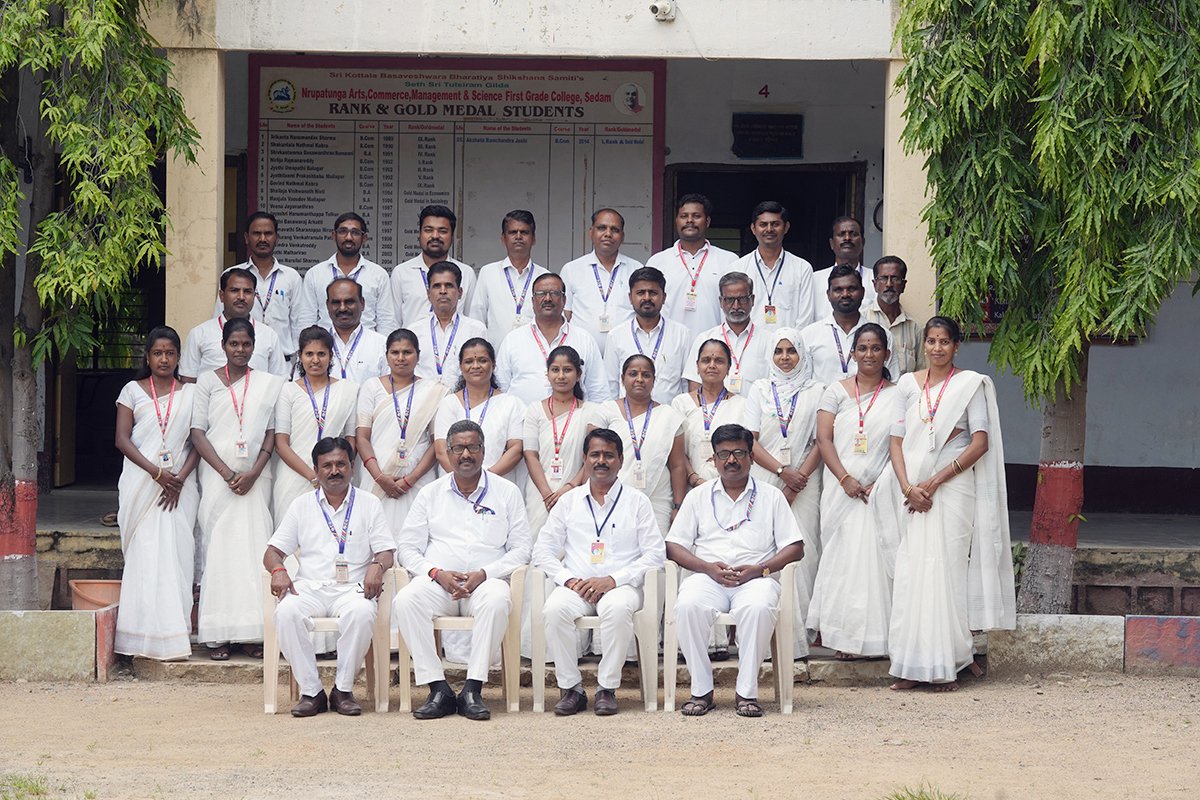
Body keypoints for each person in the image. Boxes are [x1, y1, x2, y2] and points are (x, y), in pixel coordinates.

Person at [879, 317, 1015, 692]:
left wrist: (935, 482)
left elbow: (980, 442)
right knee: (913, 574)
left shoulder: (970, 385)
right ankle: (910, 665)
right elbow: (895, 440)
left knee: (947, 572)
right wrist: (908, 488)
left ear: (956, 346)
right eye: (931, 341)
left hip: (953, 489)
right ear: (924, 344)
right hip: (912, 492)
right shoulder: (907, 385)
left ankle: (947, 664)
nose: (937, 348)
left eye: (944, 342)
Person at [394, 421, 532, 721]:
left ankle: (473, 689)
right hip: (439, 585)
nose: (466, 454)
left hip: (484, 584)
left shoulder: (506, 492)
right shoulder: (430, 493)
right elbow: (407, 548)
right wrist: (436, 573)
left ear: (484, 451)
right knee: (405, 600)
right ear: (448, 452)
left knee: (497, 600)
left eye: (472, 447)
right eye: (458, 448)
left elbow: (522, 549)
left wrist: (485, 573)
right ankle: (438, 689)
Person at [666, 423, 805, 717]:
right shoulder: (698, 496)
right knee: (688, 605)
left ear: (752, 457)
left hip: (756, 578)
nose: (731, 460)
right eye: (724, 454)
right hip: (708, 578)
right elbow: (674, 546)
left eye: (739, 453)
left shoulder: (771, 496)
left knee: (758, 608)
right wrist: (707, 568)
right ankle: (701, 691)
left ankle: (747, 693)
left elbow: (795, 547)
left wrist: (760, 569)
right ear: (713, 459)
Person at [532, 428, 665, 716]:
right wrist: (568, 580)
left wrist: (613, 580)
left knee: (617, 609)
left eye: (608, 455)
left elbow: (656, 554)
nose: (601, 461)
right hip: (577, 586)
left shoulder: (637, 501)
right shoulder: (569, 501)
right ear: (585, 459)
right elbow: (542, 551)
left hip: (621, 587)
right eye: (595, 454)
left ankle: (607, 688)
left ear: (621, 460)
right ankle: (571, 689)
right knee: (554, 610)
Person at [264, 437, 397, 716]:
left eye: (341, 464)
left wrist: (378, 565)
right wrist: (278, 570)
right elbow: (272, 552)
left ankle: (342, 691)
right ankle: (311, 692)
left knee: (362, 612)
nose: (334, 471)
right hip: (309, 588)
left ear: (352, 467)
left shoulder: (369, 503)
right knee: (286, 612)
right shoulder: (301, 505)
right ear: (316, 470)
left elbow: (386, 551)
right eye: (327, 466)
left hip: (352, 588)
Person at [189, 318, 285, 660]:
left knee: (254, 549)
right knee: (219, 552)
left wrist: (253, 472)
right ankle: (218, 635)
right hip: (218, 479)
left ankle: (253, 633)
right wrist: (227, 472)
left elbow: (272, 432)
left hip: (256, 479)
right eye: (234, 344)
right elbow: (197, 432)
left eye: (246, 344)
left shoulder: (267, 384)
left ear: (254, 346)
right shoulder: (206, 382)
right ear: (223, 346)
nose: (240, 350)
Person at [808, 323, 897, 659]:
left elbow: (902, 444)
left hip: (879, 490)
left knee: (875, 563)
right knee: (842, 563)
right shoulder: (835, 391)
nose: (869, 354)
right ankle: (844, 639)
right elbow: (823, 439)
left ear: (887, 353)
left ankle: (879, 640)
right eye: (862, 348)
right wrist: (845, 478)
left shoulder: (898, 394)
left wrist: (881, 482)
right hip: (840, 489)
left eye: (876, 348)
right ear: (852, 353)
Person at [113, 327, 200, 661]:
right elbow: (122, 440)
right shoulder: (131, 391)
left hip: (180, 487)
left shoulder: (191, 393)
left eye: (170, 353)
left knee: (177, 557)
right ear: (147, 357)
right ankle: (139, 638)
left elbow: (197, 441)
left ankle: (174, 638)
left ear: (178, 357)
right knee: (145, 556)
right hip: (143, 483)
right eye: (158, 353)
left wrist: (179, 479)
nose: (164, 359)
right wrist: (157, 474)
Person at [743, 326, 825, 654]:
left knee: (804, 551)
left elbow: (822, 440)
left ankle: (799, 636)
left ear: (802, 354)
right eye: (779, 351)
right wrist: (781, 472)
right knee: (764, 549)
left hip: (806, 481)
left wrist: (797, 479)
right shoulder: (760, 389)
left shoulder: (817, 390)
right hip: (765, 477)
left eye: (792, 351)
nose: (785, 357)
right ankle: (763, 638)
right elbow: (750, 440)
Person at [356, 329, 448, 535]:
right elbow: (362, 438)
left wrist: (411, 479)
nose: (401, 358)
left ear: (418, 355)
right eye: (395, 352)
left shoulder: (432, 391)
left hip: (418, 479)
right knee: (375, 535)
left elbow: (436, 443)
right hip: (376, 476)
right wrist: (380, 477)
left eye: (407, 352)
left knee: (415, 535)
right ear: (386, 355)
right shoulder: (371, 387)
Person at [272, 326, 359, 521]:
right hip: (294, 477)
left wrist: (334, 472)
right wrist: (314, 476)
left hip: (334, 478)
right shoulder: (288, 391)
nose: (315, 360)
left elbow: (351, 439)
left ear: (331, 356)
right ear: (300, 356)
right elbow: (281, 443)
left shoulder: (348, 390)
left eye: (321, 354)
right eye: (309, 354)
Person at [597, 354, 688, 534]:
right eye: (633, 374)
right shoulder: (606, 411)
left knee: (654, 545)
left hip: (657, 497)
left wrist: (678, 506)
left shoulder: (669, 416)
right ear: (622, 379)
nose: (639, 379)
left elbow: (678, 466)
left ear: (654, 380)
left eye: (646, 375)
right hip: (612, 494)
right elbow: (592, 458)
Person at [522, 345, 604, 534]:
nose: (561, 376)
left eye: (567, 370)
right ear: (547, 374)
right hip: (539, 493)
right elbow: (530, 455)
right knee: (538, 542)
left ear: (578, 375)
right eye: (555, 370)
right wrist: (546, 494)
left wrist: (571, 487)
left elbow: (592, 457)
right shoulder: (534, 410)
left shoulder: (591, 412)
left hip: (577, 491)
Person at [495, 272, 611, 404]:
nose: (547, 298)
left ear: (564, 300)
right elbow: (501, 389)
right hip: (522, 416)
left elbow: (598, 392)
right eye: (541, 294)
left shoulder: (584, 339)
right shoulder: (513, 340)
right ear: (532, 301)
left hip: (574, 416)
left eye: (554, 293)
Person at [646, 194, 740, 340]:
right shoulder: (658, 262)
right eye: (684, 216)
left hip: (716, 345)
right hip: (668, 344)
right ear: (676, 221)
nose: (689, 220)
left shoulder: (728, 261)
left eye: (696, 216)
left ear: (707, 222)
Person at [433, 338, 526, 484]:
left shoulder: (511, 403)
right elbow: (441, 451)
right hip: (454, 485)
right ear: (461, 366)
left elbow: (516, 449)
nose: (475, 366)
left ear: (493, 364)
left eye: (482, 360)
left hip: (497, 483)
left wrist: (485, 480)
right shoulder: (449, 403)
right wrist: (464, 481)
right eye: (469, 361)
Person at [215, 212, 304, 360]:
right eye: (257, 233)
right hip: (243, 361)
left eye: (268, 233)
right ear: (246, 238)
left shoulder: (291, 277)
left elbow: (298, 323)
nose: (262, 239)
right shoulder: (232, 276)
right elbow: (221, 321)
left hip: (284, 361)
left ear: (277, 238)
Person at [602, 266, 691, 405]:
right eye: (640, 293)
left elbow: (686, 384)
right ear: (630, 298)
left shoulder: (681, 334)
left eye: (653, 293)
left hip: (670, 415)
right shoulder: (616, 336)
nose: (647, 298)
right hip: (628, 416)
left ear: (664, 297)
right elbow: (611, 385)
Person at [180, 267, 287, 381]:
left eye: (247, 291)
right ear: (221, 296)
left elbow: (280, 381)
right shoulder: (199, 334)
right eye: (234, 290)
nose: (241, 297)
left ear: (254, 296)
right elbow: (188, 381)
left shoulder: (269, 335)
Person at [560, 209, 644, 352]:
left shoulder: (636, 269)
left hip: (626, 352)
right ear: (591, 232)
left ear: (622, 237)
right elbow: (565, 315)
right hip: (582, 352)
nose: (608, 234)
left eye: (615, 230)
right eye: (601, 228)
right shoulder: (572, 269)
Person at [299, 212, 397, 334]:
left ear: (364, 238)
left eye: (355, 232)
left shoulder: (378, 275)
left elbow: (386, 321)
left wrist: (382, 346)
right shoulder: (315, 274)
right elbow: (306, 319)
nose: (348, 237)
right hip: (325, 344)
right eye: (343, 231)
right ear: (334, 235)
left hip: (367, 345)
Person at [800, 265, 897, 386]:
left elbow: (893, 382)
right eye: (838, 290)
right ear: (828, 294)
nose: (845, 294)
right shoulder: (809, 335)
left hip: (870, 398)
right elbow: (803, 383)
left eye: (851, 289)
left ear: (863, 292)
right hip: (822, 398)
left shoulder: (883, 335)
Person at [731, 201, 818, 330]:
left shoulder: (802, 268)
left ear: (786, 227)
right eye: (763, 224)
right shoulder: (738, 269)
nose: (769, 229)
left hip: (789, 342)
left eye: (775, 224)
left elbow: (806, 318)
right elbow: (731, 313)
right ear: (753, 228)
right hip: (750, 341)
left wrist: (789, 341)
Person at [673, 339, 747, 489]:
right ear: (697, 366)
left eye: (719, 361)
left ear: (728, 367)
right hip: (691, 486)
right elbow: (677, 452)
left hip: (730, 486)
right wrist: (694, 479)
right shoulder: (681, 403)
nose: (712, 365)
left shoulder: (742, 405)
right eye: (706, 360)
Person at [683, 272, 772, 396]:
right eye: (729, 300)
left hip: (755, 408)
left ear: (752, 300)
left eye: (742, 299)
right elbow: (695, 384)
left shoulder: (769, 340)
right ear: (721, 301)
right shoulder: (705, 339)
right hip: (713, 408)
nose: (736, 306)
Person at [470, 210, 548, 345]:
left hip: (534, 353)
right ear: (503, 238)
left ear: (534, 238)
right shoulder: (488, 273)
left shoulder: (544, 277)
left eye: (524, 232)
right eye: (512, 232)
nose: (518, 236)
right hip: (496, 354)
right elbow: (477, 319)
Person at [391, 204, 476, 327]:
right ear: (419, 234)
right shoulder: (401, 272)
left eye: (443, 231)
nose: (435, 236)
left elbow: (471, 320)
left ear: (452, 237)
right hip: (412, 340)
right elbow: (393, 322)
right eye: (428, 230)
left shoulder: (467, 273)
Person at [413, 261, 488, 390]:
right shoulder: (415, 331)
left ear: (460, 292)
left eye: (449, 285)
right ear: (428, 293)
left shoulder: (476, 330)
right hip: (423, 399)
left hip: (462, 399)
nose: (443, 291)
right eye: (437, 286)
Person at [862, 256, 924, 378]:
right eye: (884, 278)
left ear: (903, 285)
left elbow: (921, 371)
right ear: (875, 285)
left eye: (895, 278)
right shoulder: (862, 320)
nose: (889, 284)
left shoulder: (915, 327)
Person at [326, 277, 388, 385]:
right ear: (327, 305)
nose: (342, 308)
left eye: (349, 302)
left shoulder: (381, 344)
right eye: (336, 302)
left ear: (362, 303)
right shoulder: (314, 346)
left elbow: (391, 388)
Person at [812, 216, 876, 302]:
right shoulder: (815, 280)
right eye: (841, 234)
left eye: (853, 234)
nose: (847, 238)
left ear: (863, 242)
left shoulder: (875, 279)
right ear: (831, 243)